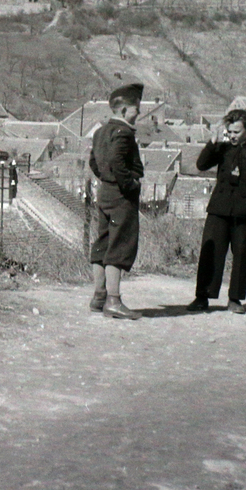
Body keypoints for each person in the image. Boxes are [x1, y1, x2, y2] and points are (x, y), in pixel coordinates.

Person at [189, 108, 246, 313]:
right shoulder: (222, 149)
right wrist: (213, 142)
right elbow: (201, 164)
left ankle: (235, 298)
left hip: (243, 212)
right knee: (211, 254)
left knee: (241, 255)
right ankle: (202, 297)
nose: (233, 136)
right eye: (230, 132)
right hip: (219, 209)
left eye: (237, 132)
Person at [87, 83, 145, 320]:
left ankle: (99, 296)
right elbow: (116, 160)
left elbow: (94, 162)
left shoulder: (101, 132)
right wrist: (129, 184)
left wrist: (107, 180)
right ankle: (113, 300)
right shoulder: (123, 133)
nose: (138, 112)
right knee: (119, 245)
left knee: (102, 242)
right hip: (121, 196)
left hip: (105, 193)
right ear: (123, 111)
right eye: (136, 108)